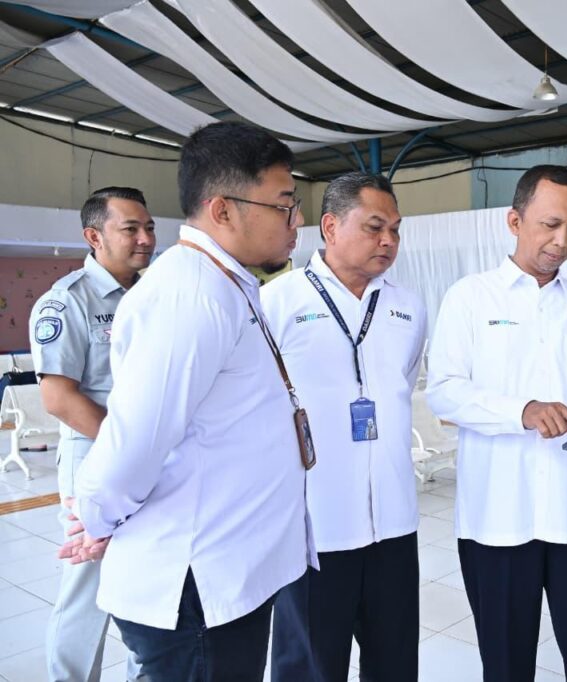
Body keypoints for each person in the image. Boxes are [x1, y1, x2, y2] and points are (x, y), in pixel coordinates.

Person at [57, 121, 317, 682]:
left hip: (226, 570)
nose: (295, 221)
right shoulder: (191, 295)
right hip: (196, 586)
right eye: (283, 205)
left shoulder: (225, 282)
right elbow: (136, 440)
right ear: (223, 210)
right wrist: (98, 519)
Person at [426, 165, 567, 682]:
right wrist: (521, 411)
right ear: (514, 221)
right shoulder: (470, 297)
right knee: (507, 664)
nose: (563, 241)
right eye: (551, 224)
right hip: (498, 515)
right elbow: (444, 390)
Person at [263, 172, 426, 681]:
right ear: (330, 226)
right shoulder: (279, 303)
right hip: (314, 525)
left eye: (395, 230)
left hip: (394, 523)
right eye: (375, 227)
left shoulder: (407, 306)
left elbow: (402, 384)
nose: (388, 241)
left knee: (395, 663)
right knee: (311, 666)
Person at [29, 186, 154, 682]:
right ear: (93, 236)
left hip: (150, 455)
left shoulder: (153, 293)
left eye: (149, 227)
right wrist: (131, 448)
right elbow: (59, 398)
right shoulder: (66, 301)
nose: (145, 238)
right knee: (88, 584)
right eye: (131, 229)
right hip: (96, 454)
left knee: (145, 577)